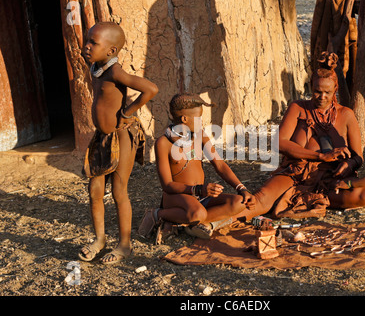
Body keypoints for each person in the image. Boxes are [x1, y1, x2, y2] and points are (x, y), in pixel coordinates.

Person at [234, 51, 365, 222]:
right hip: (295, 174)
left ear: (335, 90)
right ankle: (214, 222)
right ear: (311, 86)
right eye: (317, 91)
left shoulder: (346, 114)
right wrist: (320, 156)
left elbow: (358, 156)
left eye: (327, 93)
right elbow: (279, 143)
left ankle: (306, 199)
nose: (322, 97)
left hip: (330, 179)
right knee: (261, 199)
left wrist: (348, 163)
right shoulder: (298, 108)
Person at [78, 22, 159, 264]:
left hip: (121, 136)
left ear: (111, 51)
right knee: (94, 191)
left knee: (119, 191)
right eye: (87, 40)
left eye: (94, 43)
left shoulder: (116, 72)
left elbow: (150, 89)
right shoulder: (95, 66)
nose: (87, 46)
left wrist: (128, 113)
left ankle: (124, 245)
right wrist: (87, 55)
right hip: (102, 137)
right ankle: (100, 240)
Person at [143, 93, 255, 240]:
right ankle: (158, 214)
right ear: (184, 119)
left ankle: (189, 223)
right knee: (199, 213)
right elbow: (167, 185)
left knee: (240, 202)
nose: (202, 122)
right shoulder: (163, 143)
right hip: (177, 196)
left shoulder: (200, 135)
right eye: (199, 118)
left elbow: (219, 164)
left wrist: (242, 188)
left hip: (200, 197)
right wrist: (197, 189)